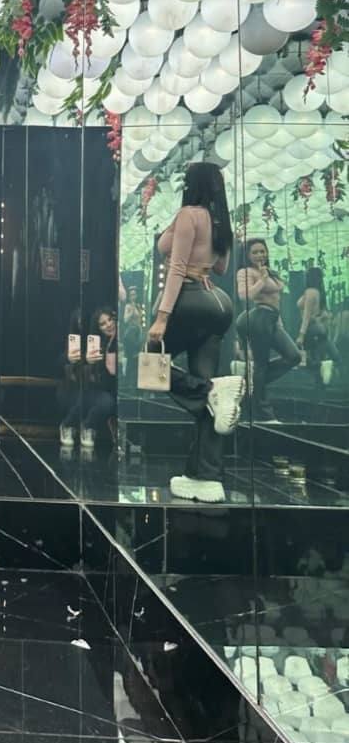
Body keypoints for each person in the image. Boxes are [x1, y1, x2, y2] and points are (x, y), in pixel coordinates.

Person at [146, 162, 244, 504]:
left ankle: (208, 390)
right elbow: (221, 267)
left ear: (192, 184)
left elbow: (176, 266)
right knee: (211, 407)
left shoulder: (189, 214)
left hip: (188, 299)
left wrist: (162, 317)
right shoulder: (221, 221)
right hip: (217, 303)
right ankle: (205, 477)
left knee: (150, 364)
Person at [235, 238, 301, 422]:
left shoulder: (269, 271)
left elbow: (276, 300)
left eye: (262, 251)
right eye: (255, 252)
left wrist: (279, 324)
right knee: (261, 365)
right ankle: (264, 413)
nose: (260, 255)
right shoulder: (245, 272)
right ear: (247, 255)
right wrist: (262, 279)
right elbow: (244, 295)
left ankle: (250, 383)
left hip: (272, 319)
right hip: (259, 317)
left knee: (294, 356)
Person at [59, 306, 118, 451]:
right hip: (93, 390)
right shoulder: (96, 344)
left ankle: (77, 425)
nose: (108, 325)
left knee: (106, 400)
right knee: (103, 400)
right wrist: (88, 362)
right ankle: (78, 426)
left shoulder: (123, 340)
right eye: (102, 324)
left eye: (110, 319)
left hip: (115, 390)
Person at [297, 266, 338, 386]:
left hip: (311, 327)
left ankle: (323, 366)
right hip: (318, 327)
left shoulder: (310, 292)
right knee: (319, 353)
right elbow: (322, 312)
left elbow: (307, 315)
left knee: (302, 357)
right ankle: (321, 378)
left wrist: (301, 335)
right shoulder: (318, 292)